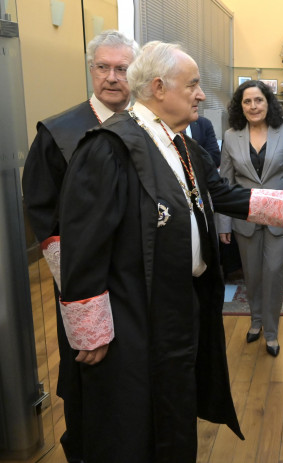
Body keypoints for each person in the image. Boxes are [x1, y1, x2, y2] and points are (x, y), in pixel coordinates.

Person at [56, 41, 283, 462]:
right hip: (135, 316)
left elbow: (222, 194)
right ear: (159, 88)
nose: (201, 94)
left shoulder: (181, 146)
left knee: (176, 405)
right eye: (193, 85)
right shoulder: (109, 147)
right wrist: (90, 332)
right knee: (137, 419)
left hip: (181, 304)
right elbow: (83, 245)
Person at [21, 29, 138, 463]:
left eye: (122, 68)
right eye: (103, 67)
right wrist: (81, 292)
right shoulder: (60, 132)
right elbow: (43, 214)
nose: (112, 77)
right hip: (85, 284)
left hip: (136, 282)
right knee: (89, 369)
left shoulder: (146, 127)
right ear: (91, 70)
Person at [217, 80, 283, 357]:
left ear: (269, 102)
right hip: (246, 219)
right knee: (251, 275)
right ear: (240, 107)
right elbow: (225, 183)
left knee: (274, 274)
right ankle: (255, 322)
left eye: (259, 100)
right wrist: (224, 224)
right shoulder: (231, 136)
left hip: (280, 218)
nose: (253, 106)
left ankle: (272, 333)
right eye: (247, 101)